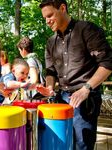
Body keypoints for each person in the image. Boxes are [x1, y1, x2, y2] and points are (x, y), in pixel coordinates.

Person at [37, 0, 112, 149]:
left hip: (86, 98)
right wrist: (50, 88)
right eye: (44, 18)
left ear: (63, 8)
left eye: (50, 15)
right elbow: (51, 71)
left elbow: (108, 63)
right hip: (61, 100)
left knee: (82, 145)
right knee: (61, 144)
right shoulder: (50, 42)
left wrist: (86, 88)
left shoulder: (87, 29)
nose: (47, 21)